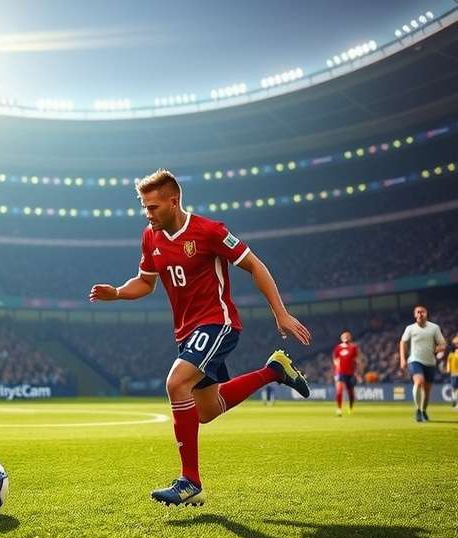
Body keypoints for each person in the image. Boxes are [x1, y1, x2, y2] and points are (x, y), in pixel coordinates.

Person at [89, 169, 311, 506]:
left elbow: (255, 266)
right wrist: (118, 293)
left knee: (176, 383)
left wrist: (280, 312)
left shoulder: (210, 231)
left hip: (218, 323)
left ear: (173, 201)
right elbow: (145, 282)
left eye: (153, 207)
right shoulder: (150, 236)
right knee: (206, 410)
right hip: (186, 332)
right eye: (144, 208)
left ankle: (189, 481)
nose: (147, 214)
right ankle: (275, 371)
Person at [399, 306, 446, 422]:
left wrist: (437, 349)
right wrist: (403, 359)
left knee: (427, 391)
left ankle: (423, 410)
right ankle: (417, 410)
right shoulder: (410, 328)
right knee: (419, 382)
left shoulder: (434, 328)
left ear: (426, 314)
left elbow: (443, 344)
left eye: (423, 312)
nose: (420, 314)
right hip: (415, 360)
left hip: (430, 362)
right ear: (415, 315)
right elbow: (403, 342)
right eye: (418, 312)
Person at [332, 330, 361, 416]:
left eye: (347, 336)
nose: (346, 337)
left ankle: (350, 408)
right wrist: (337, 367)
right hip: (340, 372)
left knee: (350, 392)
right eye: (344, 336)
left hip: (350, 372)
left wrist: (358, 372)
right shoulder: (338, 348)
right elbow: (335, 359)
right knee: (339, 390)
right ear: (341, 338)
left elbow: (356, 360)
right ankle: (339, 409)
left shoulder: (353, 347)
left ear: (350, 337)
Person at [443, 336, 458, 409]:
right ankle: (455, 402)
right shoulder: (451, 355)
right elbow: (448, 364)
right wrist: (448, 370)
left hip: (454, 374)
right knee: (454, 389)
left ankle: (455, 402)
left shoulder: (451, 355)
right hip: (454, 374)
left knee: (455, 389)